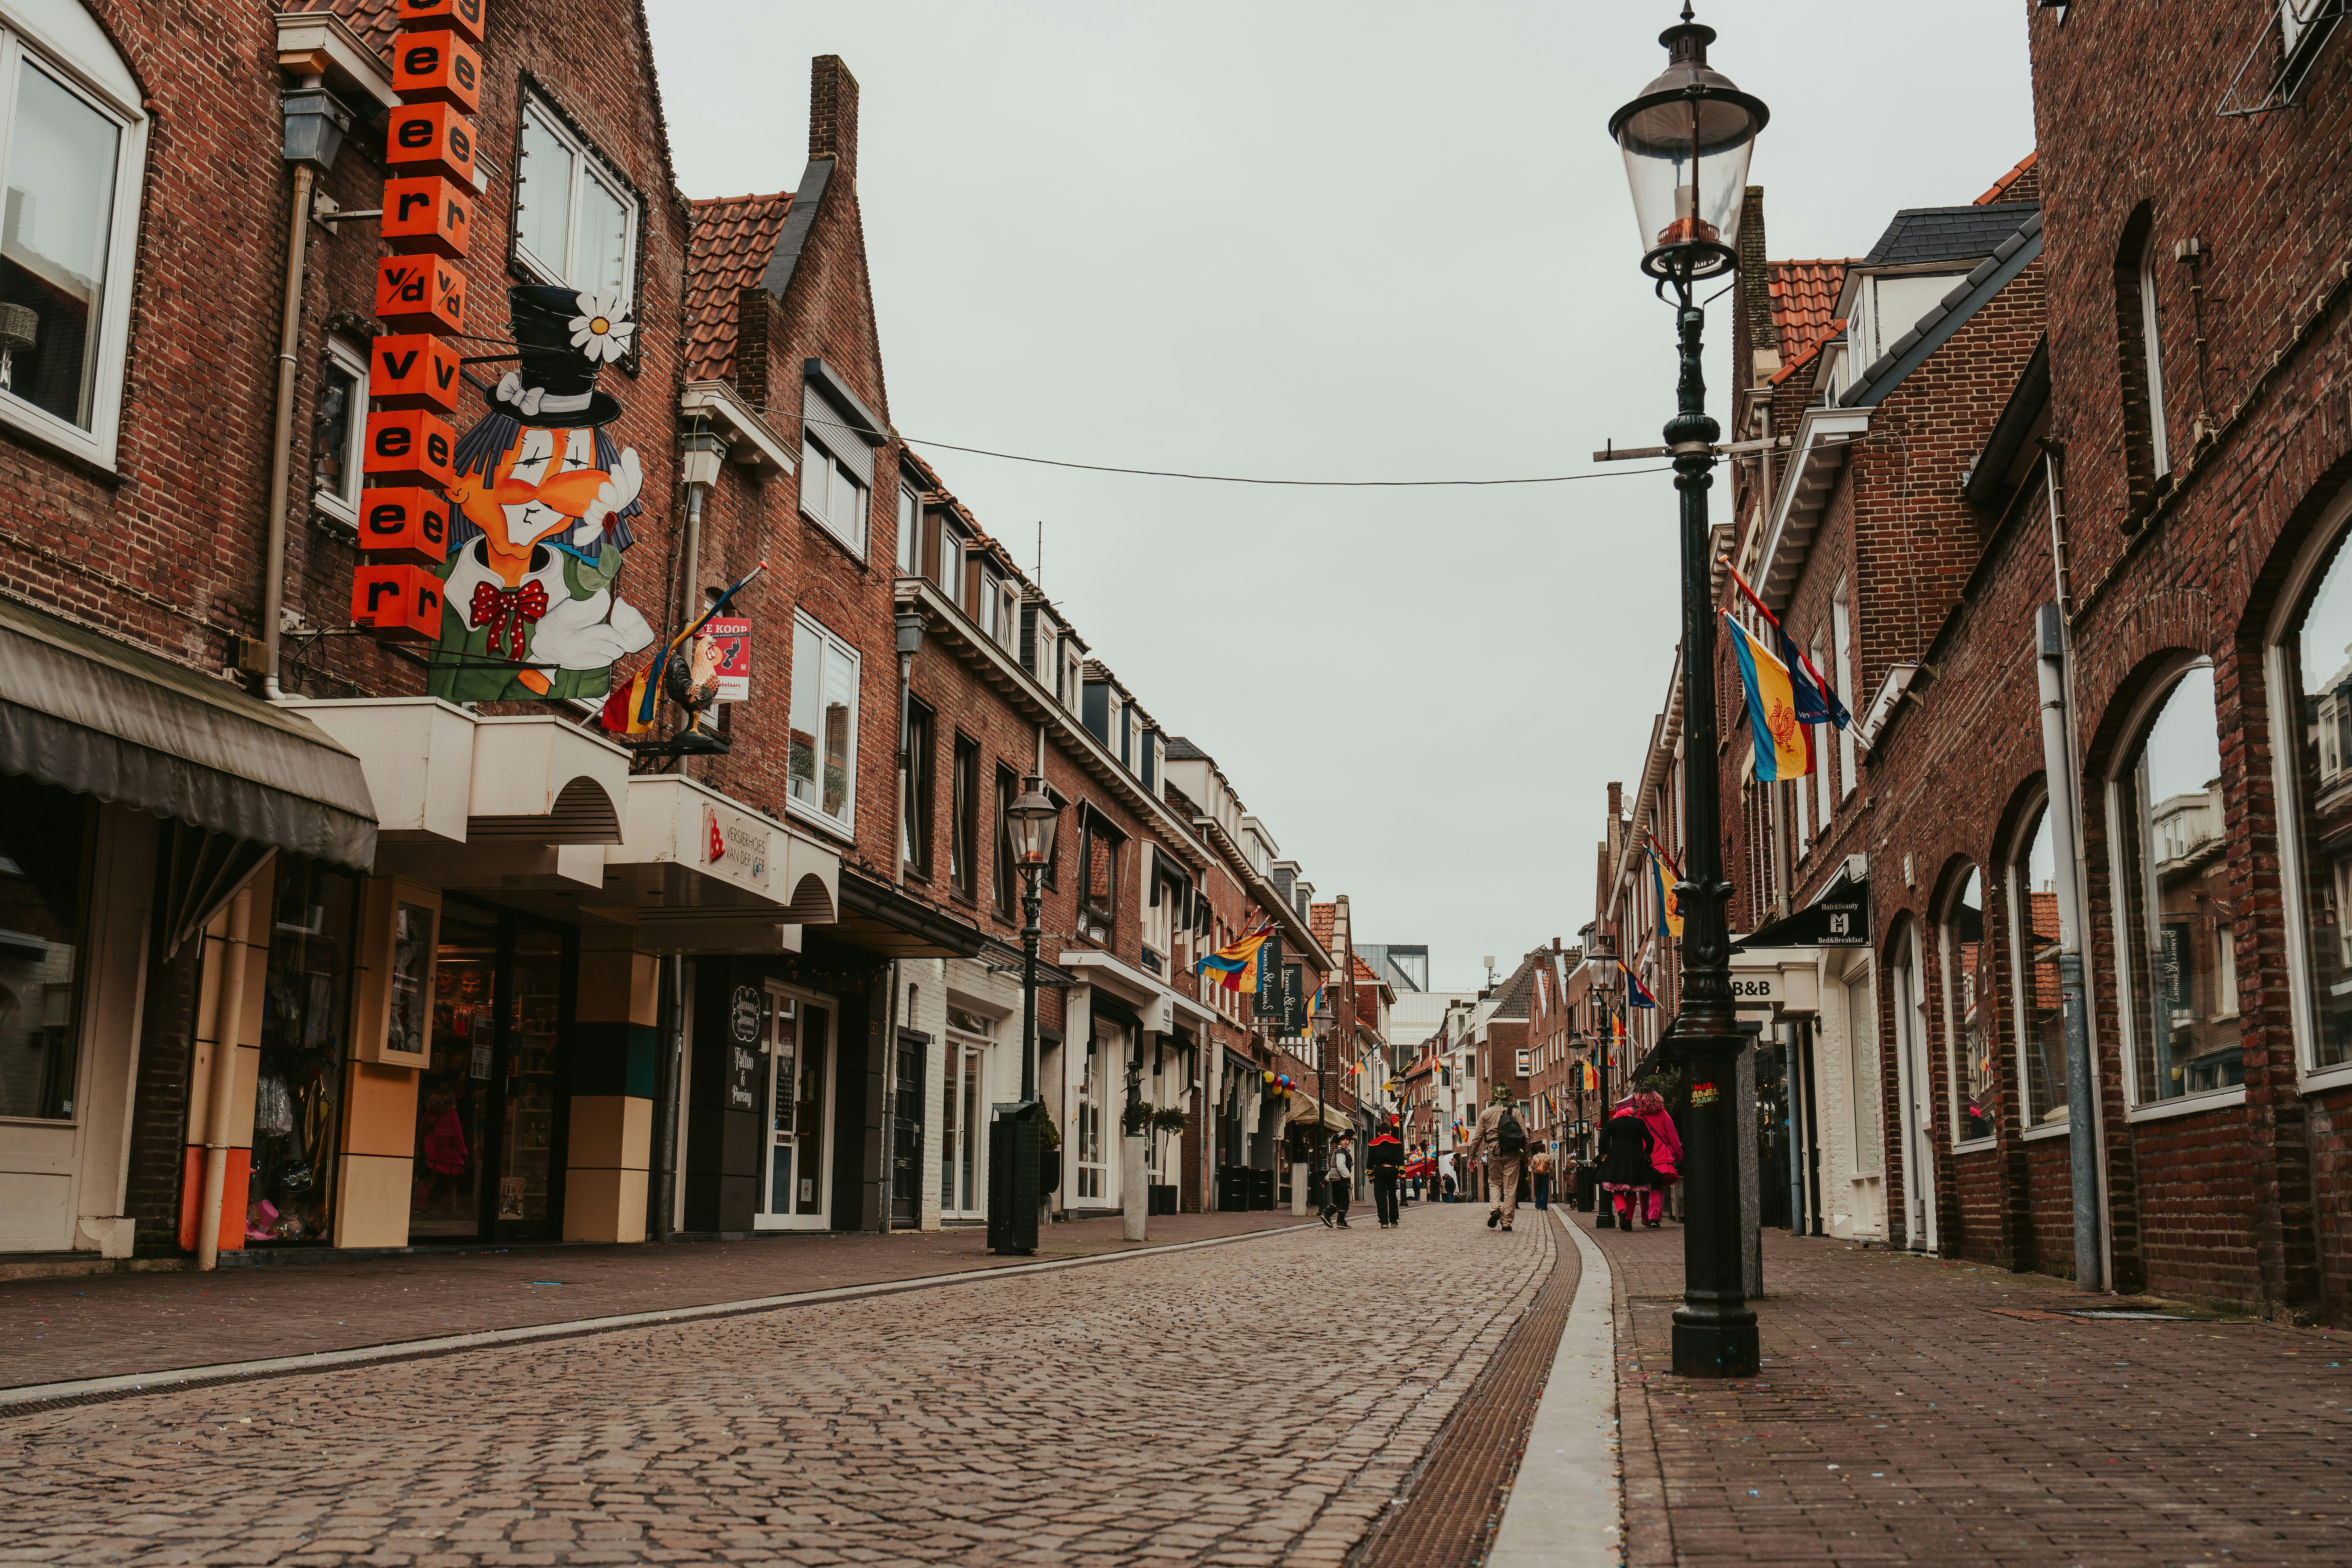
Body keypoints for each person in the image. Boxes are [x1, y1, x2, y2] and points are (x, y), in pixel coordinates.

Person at [1466, 1083, 1531, 1232]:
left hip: (1494, 1152)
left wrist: (1472, 1157)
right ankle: (1507, 1222)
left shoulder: (1486, 1113)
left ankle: (1496, 1208)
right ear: (1509, 1098)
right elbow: (1525, 1136)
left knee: (1495, 1182)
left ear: (1494, 1097)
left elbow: (1477, 1138)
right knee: (1511, 1188)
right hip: (1513, 1153)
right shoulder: (1515, 1112)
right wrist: (1528, 1155)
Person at [1595, 1095, 1655, 1230]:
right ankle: (1628, 1221)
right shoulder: (1639, 1123)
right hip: (1636, 1159)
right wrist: (1646, 1154)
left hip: (1617, 1158)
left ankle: (1621, 1211)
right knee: (1632, 1190)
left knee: (1617, 1189)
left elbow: (1603, 1141)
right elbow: (1651, 1141)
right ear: (1631, 1109)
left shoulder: (1612, 1124)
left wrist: (1606, 1154)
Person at [1634, 1089, 1682, 1227]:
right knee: (1657, 1188)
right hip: (1661, 1158)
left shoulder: (1637, 1116)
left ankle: (1645, 1218)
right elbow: (1674, 1137)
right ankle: (1655, 1218)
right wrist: (1679, 1156)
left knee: (1643, 1189)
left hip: (1644, 1158)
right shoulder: (1664, 1115)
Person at [1367, 1117, 1405, 1227]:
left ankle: (1384, 1222)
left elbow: (1370, 1162)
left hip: (1380, 1171)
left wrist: (1371, 1176)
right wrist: (1403, 1176)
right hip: (1393, 1171)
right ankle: (1394, 1220)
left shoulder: (1374, 1144)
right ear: (1390, 1132)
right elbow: (1400, 1161)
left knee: (1381, 1196)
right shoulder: (1397, 1143)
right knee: (1393, 1195)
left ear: (1379, 1133)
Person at [1320, 1136, 1354, 1228]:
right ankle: (1340, 1221)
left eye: (1347, 1140)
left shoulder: (1342, 1152)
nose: (1346, 1141)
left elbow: (1333, 1169)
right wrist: (1347, 1178)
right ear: (1339, 1142)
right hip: (1340, 1179)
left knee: (1338, 1201)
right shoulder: (1341, 1152)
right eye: (1343, 1140)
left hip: (1336, 1178)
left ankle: (1327, 1215)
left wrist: (1327, 1180)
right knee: (1345, 1200)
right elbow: (1341, 1166)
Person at [1529, 1144, 1554, 1211]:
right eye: (1545, 1148)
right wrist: (1553, 1177)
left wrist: (1538, 1169)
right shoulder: (1548, 1157)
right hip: (1546, 1175)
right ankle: (1544, 1207)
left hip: (1537, 1175)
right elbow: (1552, 1168)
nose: (1546, 1149)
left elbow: (1532, 1166)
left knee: (1538, 1189)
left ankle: (1538, 1205)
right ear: (1543, 1149)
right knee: (1546, 1190)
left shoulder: (1535, 1157)